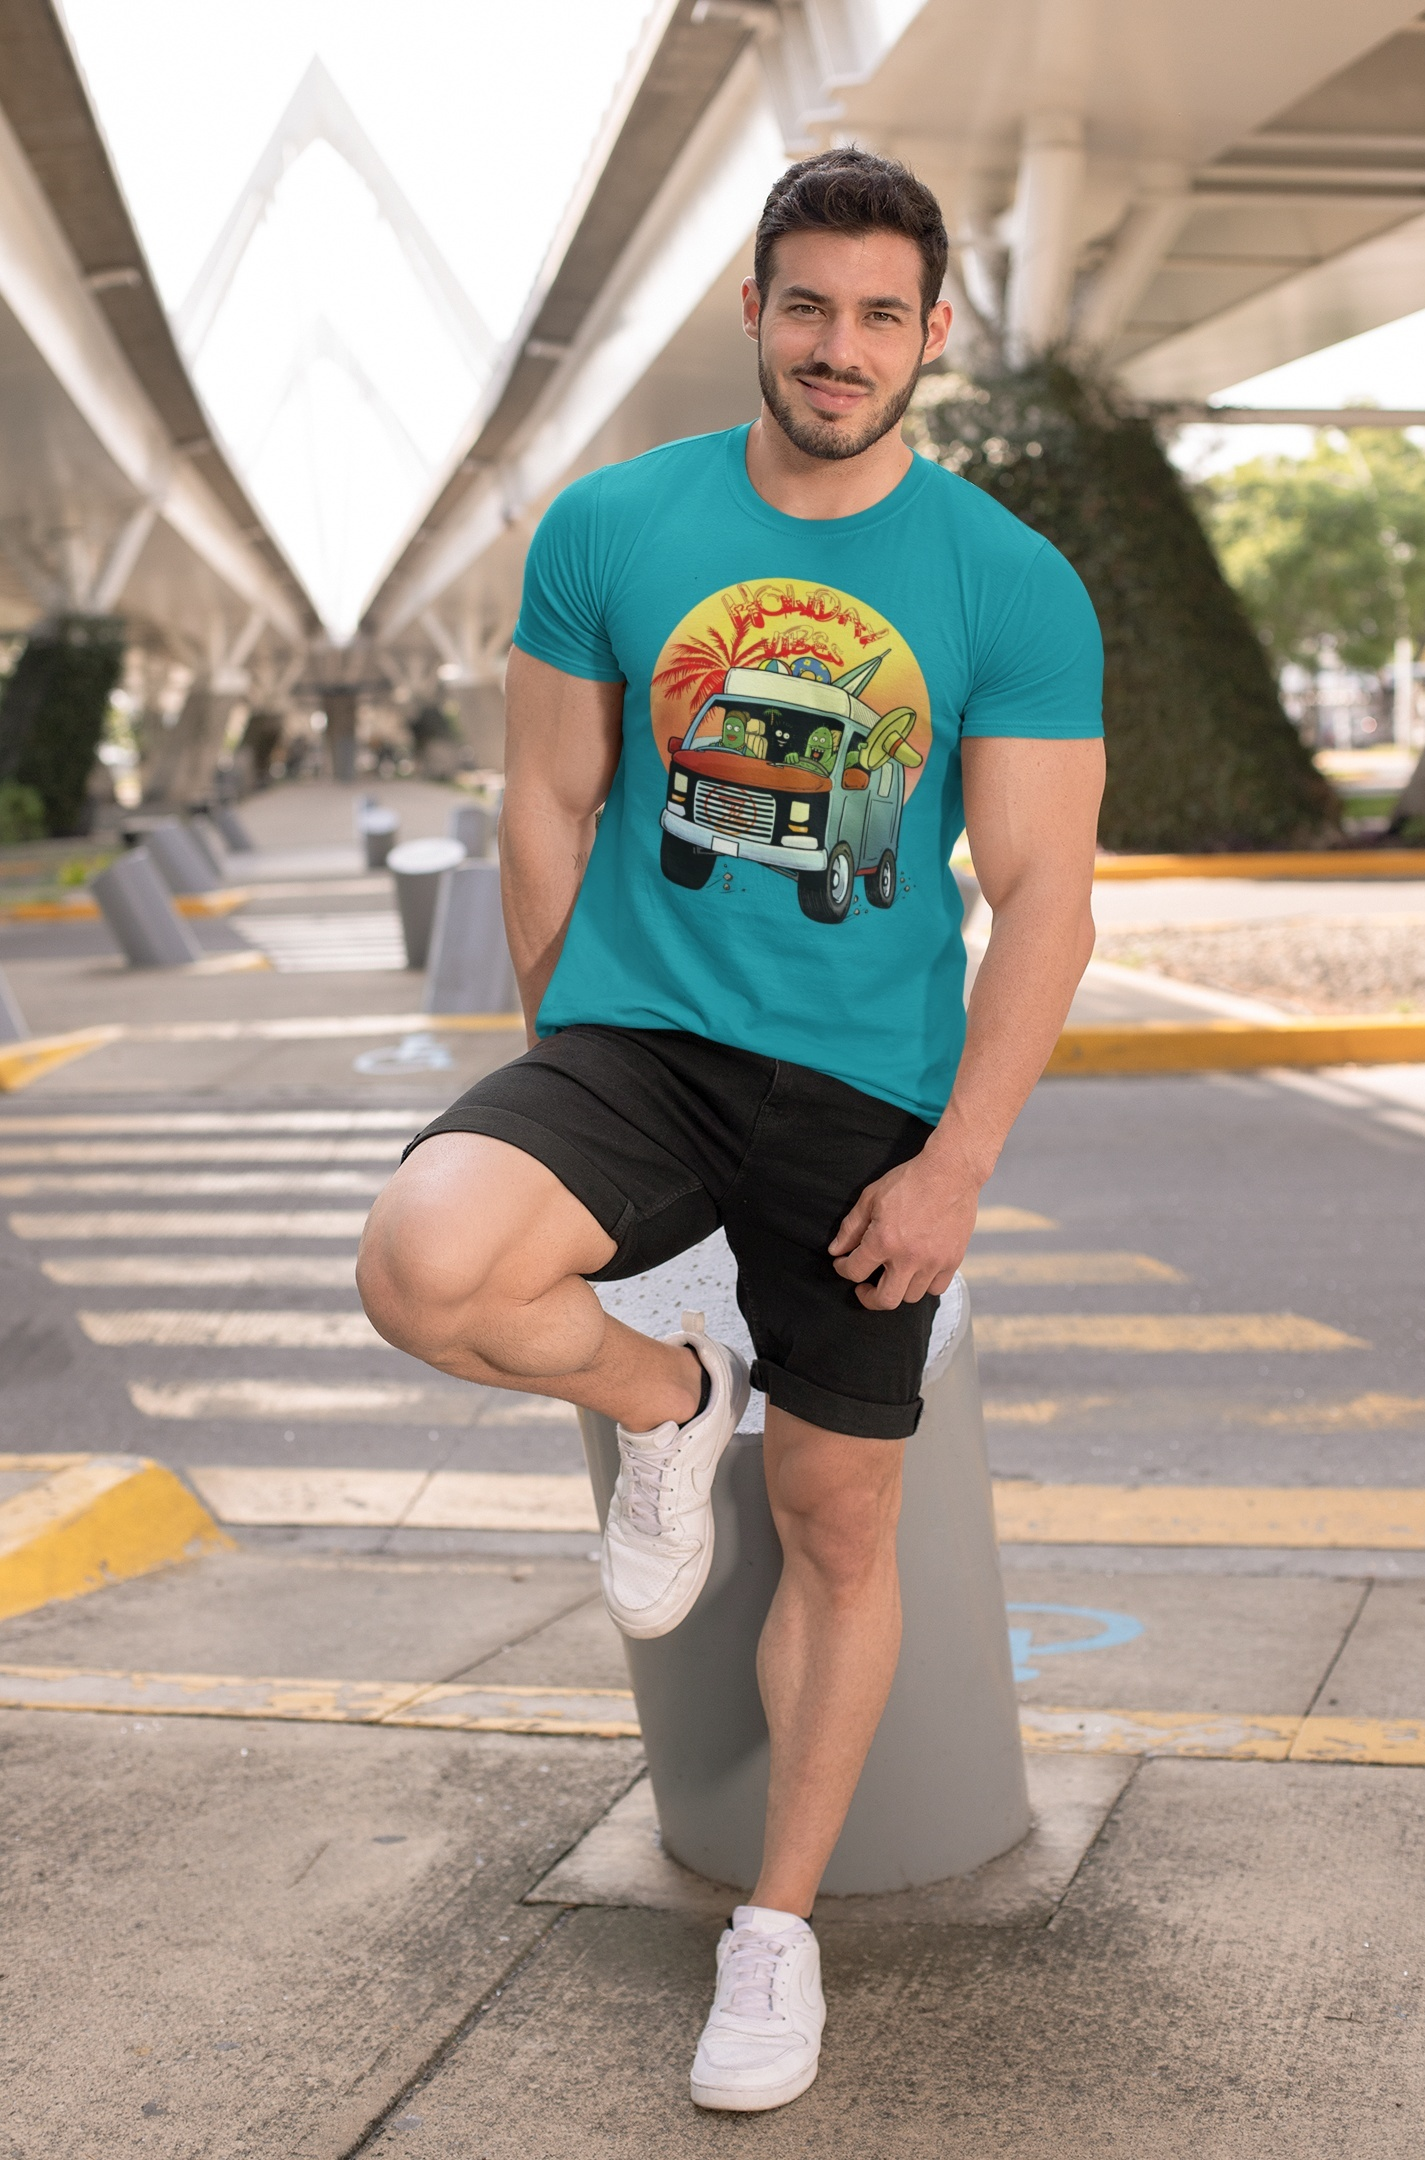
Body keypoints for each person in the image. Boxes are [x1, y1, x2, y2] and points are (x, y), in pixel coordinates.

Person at [358, 146, 1105, 2114]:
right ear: (753, 313)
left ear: (932, 333)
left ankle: (771, 1936)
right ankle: (667, 1398)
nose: (839, 346)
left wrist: (958, 1170)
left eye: (881, 314)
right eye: (808, 305)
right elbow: (545, 799)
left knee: (839, 1527)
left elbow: (1045, 893)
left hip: (874, 1097)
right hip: (638, 1043)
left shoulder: (1006, 580)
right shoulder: (610, 528)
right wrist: (560, 1052)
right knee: (424, 1258)